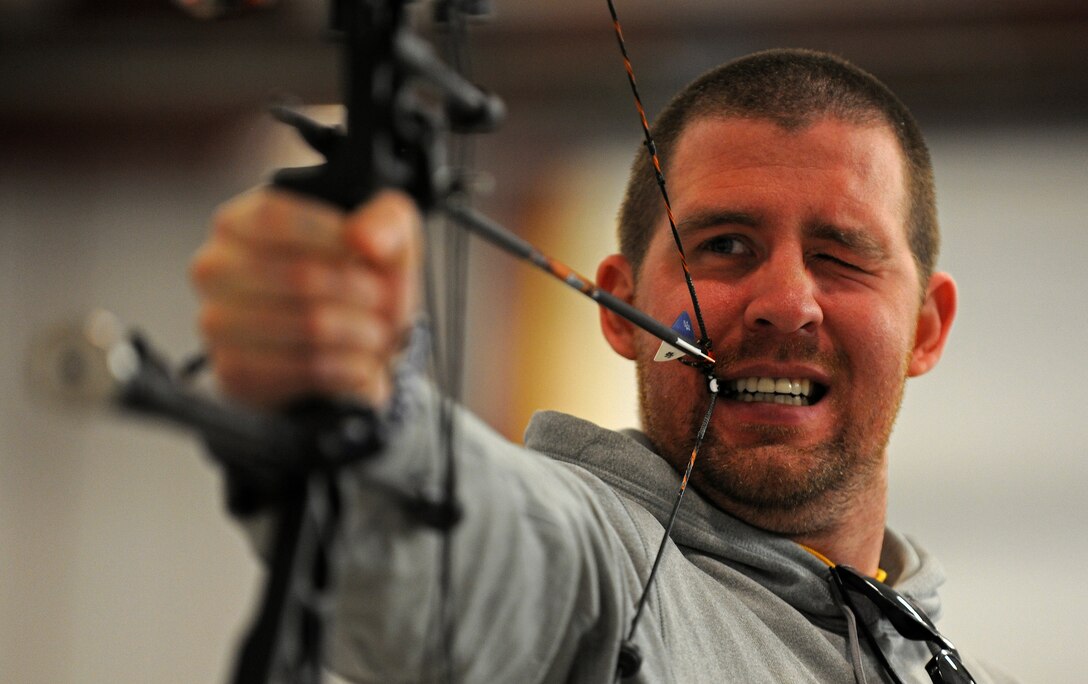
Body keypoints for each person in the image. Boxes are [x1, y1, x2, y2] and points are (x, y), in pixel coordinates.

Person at [190, 49, 1016, 682]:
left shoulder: (941, 662)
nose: (786, 302)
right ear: (620, 307)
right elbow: (451, 554)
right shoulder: (594, 576)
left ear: (926, 327)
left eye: (841, 255)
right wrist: (351, 398)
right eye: (724, 247)